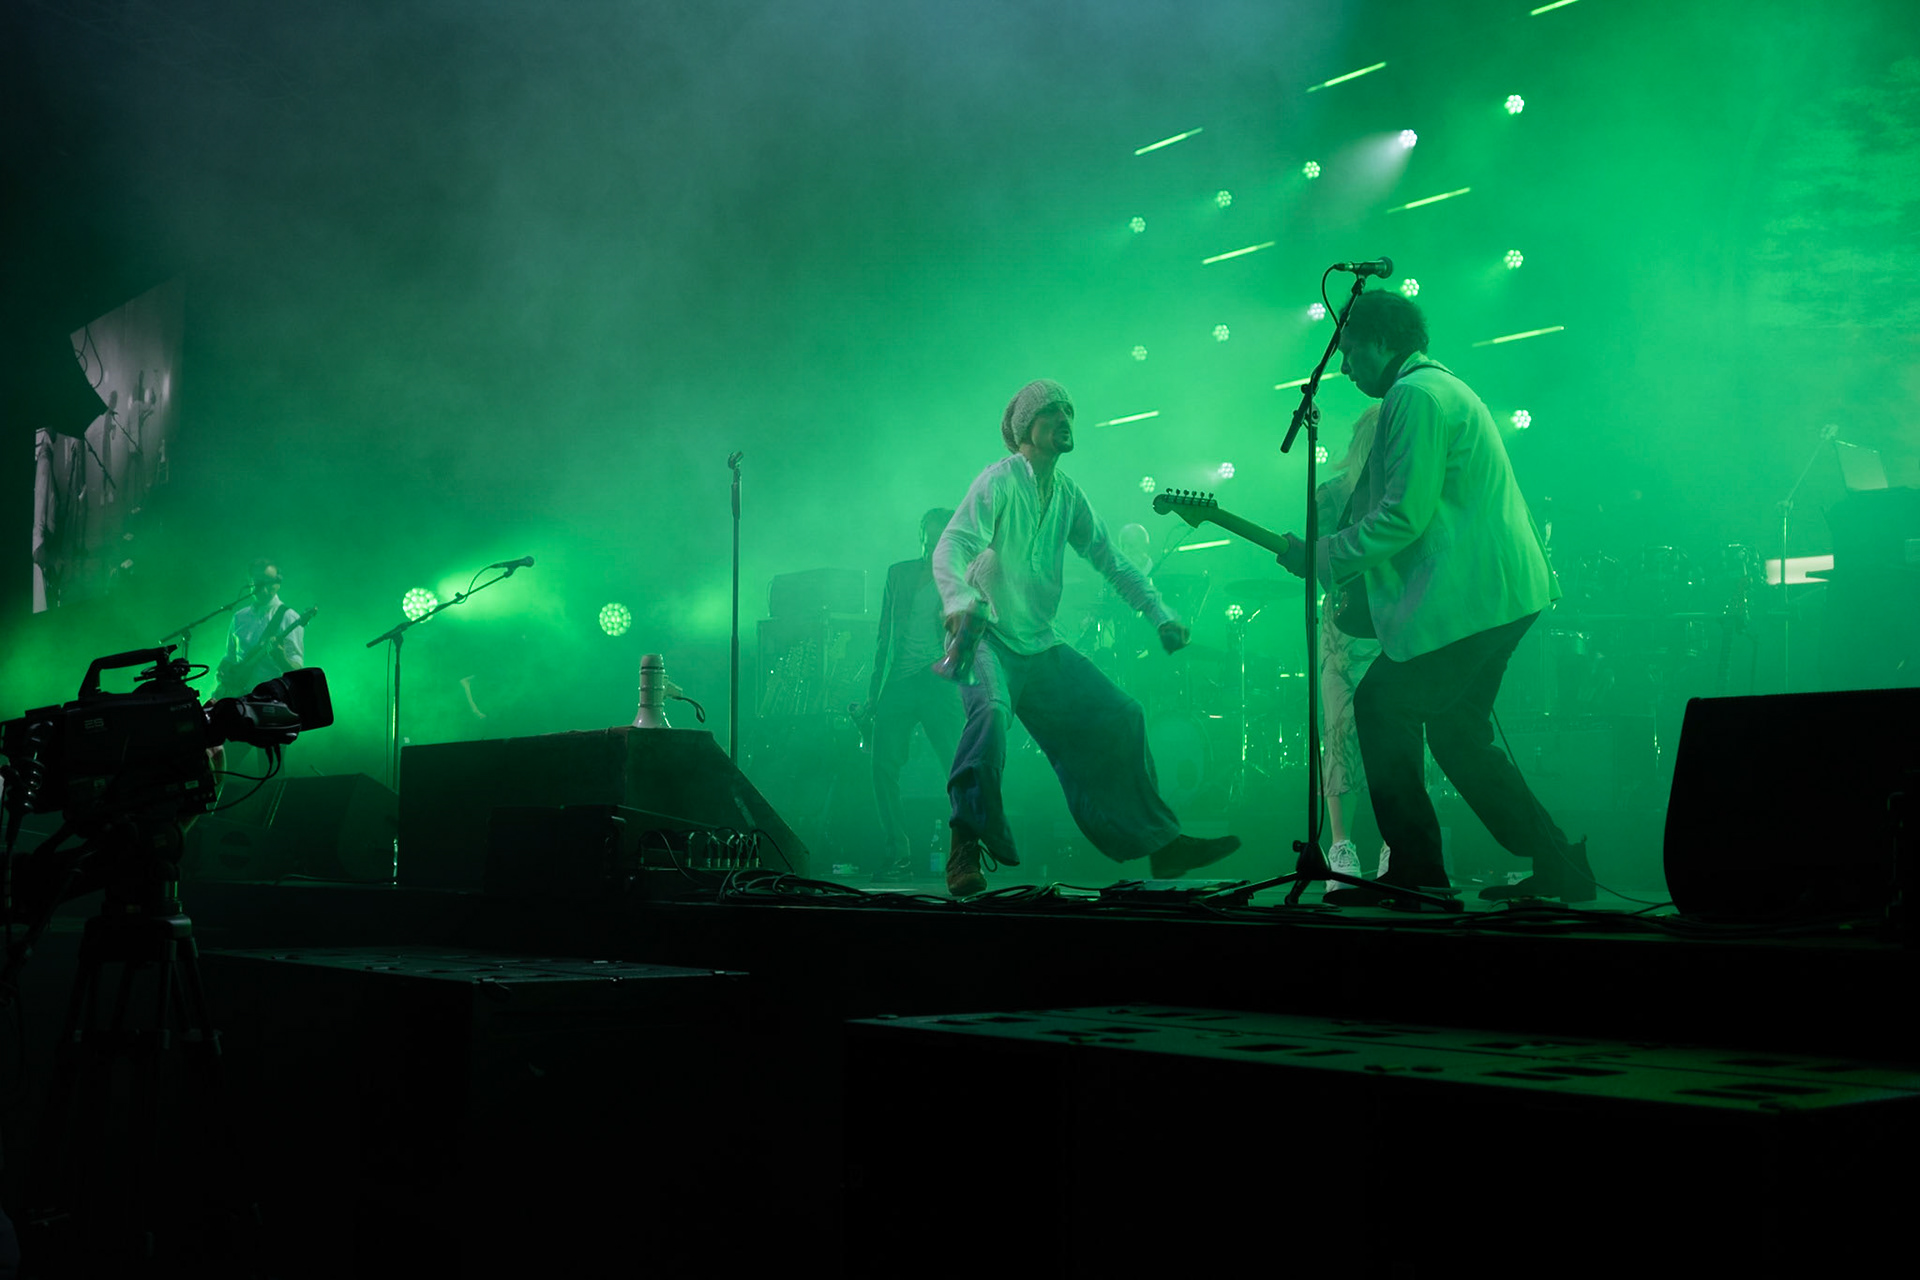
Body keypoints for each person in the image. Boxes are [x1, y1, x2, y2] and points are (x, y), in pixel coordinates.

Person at [1276, 291, 1591, 903]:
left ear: (1382, 340)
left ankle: (1418, 872)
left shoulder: (1414, 396)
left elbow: (1402, 516)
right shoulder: (1437, 388)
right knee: (1456, 733)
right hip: (1501, 594)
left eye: (1351, 350)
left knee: (1382, 703)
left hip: (1480, 599)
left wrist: (1323, 556)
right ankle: (1560, 863)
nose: (1344, 366)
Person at [933, 378, 1240, 896]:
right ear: (1026, 428)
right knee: (990, 714)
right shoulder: (998, 481)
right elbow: (952, 545)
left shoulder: (1068, 494)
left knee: (1122, 714)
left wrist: (1159, 613)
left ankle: (1162, 845)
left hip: (1040, 643)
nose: (1064, 419)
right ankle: (964, 842)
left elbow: (1111, 560)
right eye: (1052, 411)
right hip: (987, 636)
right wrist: (959, 601)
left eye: (1069, 411)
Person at [853, 507, 965, 882]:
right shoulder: (898, 574)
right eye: (927, 540)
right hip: (898, 682)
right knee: (882, 766)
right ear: (920, 536)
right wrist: (874, 693)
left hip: (938, 682)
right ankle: (897, 855)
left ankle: (964, 856)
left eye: (939, 540)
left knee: (959, 769)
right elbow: (883, 637)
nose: (931, 547)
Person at [1313, 406, 1391, 892]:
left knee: (1398, 737)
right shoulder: (1332, 493)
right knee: (1341, 731)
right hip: (1345, 630)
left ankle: (1395, 844)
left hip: (1394, 626)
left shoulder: (1404, 490)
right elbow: (1323, 561)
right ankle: (1341, 847)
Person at [217, 558, 307, 772]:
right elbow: (230, 657)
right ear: (249, 582)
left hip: (271, 704)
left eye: (269, 582)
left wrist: (280, 658)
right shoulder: (239, 617)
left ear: (278, 583)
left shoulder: (288, 617)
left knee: (269, 772)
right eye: (258, 582)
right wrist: (223, 672)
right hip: (239, 700)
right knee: (223, 765)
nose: (264, 588)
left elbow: (297, 671)